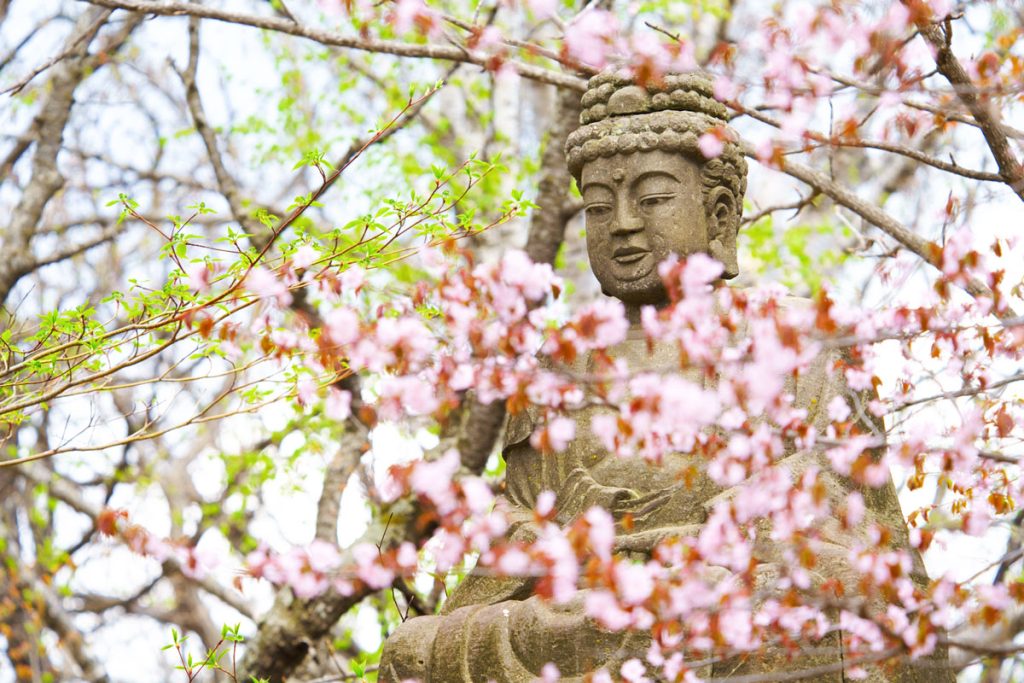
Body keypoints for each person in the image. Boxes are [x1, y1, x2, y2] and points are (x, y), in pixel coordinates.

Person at [379, 72, 952, 683]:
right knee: (415, 649)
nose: (622, 224)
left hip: (734, 583)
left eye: (651, 199)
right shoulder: (557, 367)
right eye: (599, 206)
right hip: (580, 608)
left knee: (823, 608)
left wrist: (748, 514)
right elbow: (517, 519)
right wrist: (565, 528)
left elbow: (857, 507)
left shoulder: (796, 341)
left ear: (719, 210)